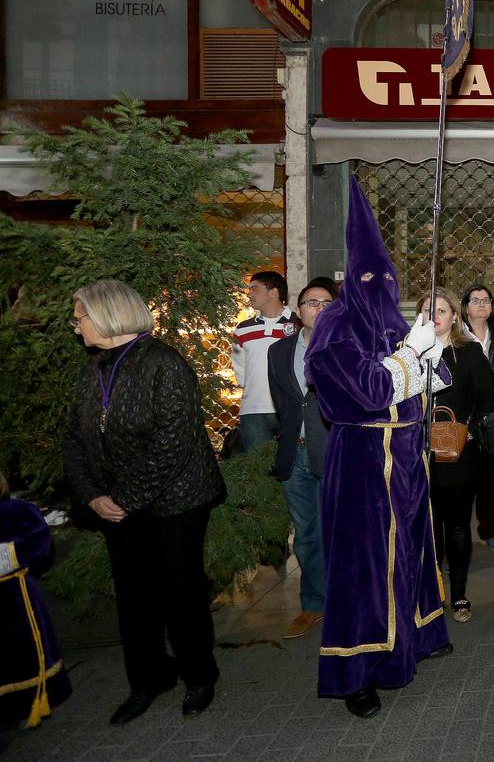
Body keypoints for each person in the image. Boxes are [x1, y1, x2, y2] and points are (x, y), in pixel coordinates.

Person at [304, 180, 450, 718]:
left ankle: (412, 641)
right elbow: (367, 392)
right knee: (364, 567)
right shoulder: (334, 328)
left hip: (407, 459)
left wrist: (432, 356)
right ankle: (357, 671)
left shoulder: (393, 319)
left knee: (411, 553)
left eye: (386, 276)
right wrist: (412, 353)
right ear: (350, 278)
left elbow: (428, 383)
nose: (381, 285)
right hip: (364, 462)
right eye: (370, 277)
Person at [64, 279, 225, 724]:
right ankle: (149, 679)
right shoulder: (92, 368)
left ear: (108, 315)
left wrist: (123, 498)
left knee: (181, 593)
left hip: (176, 502)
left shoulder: (164, 364)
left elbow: (172, 443)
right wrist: (94, 495)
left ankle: (199, 676)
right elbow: (74, 437)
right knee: (134, 596)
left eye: (80, 317)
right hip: (116, 503)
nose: (76, 328)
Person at [421, 288, 494, 623]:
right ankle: (430, 591)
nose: (434, 317)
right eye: (427, 310)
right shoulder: (409, 351)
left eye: (441, 311)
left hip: (457, 451)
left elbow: (491, 396)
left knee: (455, 524)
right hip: (415, 453)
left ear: (454, 315)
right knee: (426, 524)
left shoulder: (467, 352)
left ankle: (459, 593)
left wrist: (468, 425)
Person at [267, 276, 338, 640]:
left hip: (333, 452)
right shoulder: (278, 351)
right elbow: (284, 403)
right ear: (298, 310)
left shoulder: (344, 348)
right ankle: (313, 604)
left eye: (327, 303)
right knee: (307, 535)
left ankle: (346, 602)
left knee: (339, 530)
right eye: (312, 302)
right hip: (294, 454)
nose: (319, 309)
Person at [0, 473, 72, 729]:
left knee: (25, 648)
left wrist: (6, 554)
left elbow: (38, 544)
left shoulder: (17, 510)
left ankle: (33, 697)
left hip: (15, 594)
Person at [461, 284, 494, 553]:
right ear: (465, 306)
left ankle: (488, 530)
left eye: (486, 299)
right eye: (475, 300)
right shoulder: (456, 333)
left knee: (488, 479)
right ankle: (456, 535)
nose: (482, 304)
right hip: (463, 413)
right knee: (460, 478)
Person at [231, 270, 298, 452]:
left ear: (273, 292)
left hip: (291, 409)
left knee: (294, 470)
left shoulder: (299, 324)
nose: (249, 294)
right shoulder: (242, 329)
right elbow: (240, 369)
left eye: (254, 289)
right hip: (253, 411)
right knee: (257, 473)